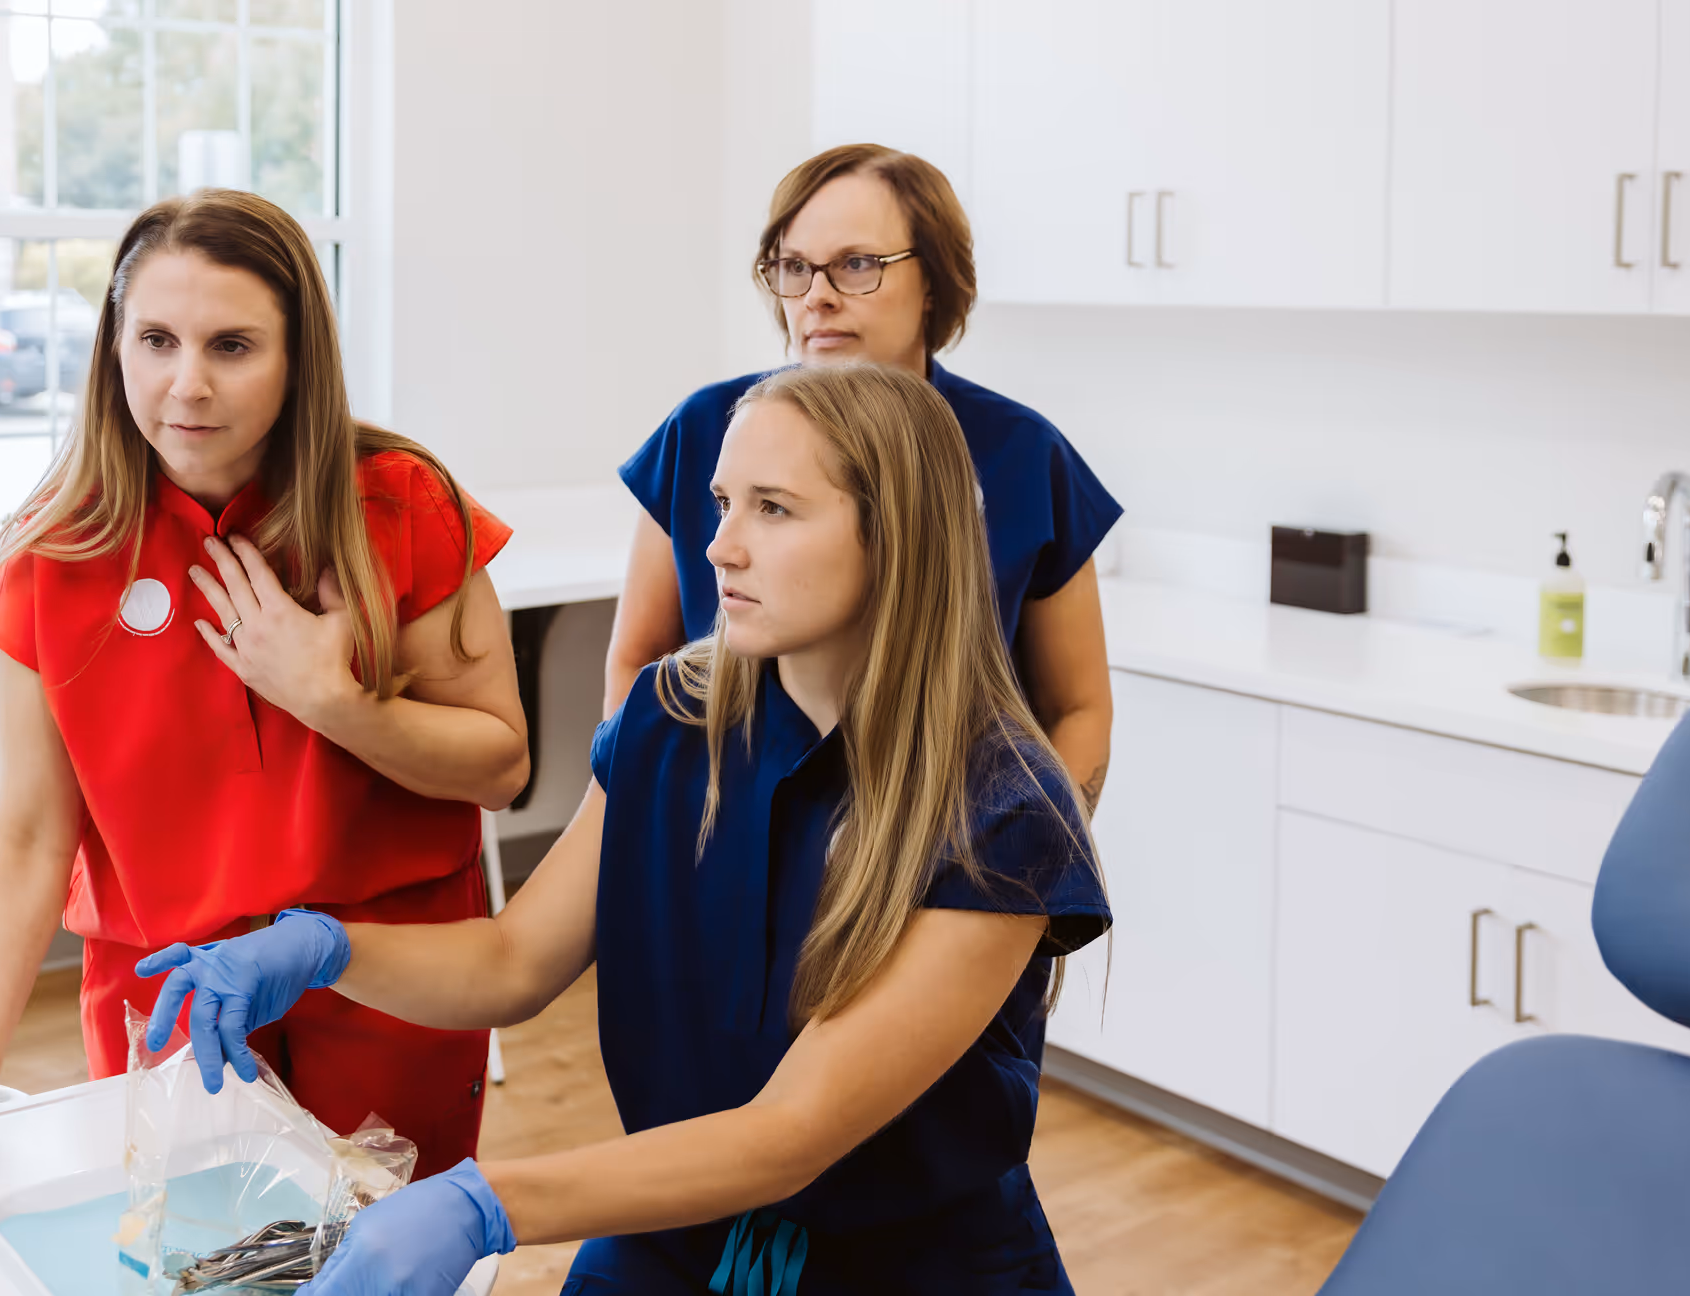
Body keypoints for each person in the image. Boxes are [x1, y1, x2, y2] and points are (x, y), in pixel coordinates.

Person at [144, 363, 1110, 1294]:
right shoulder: (674, 719)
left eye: (773, 509)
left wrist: (485, 1205)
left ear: (897, 537)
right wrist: (323, 948)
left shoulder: (1002, 811)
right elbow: (515, 963)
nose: (720, 547)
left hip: (909, 1267)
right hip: (678, 1231)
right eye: (722, 503)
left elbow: (791, 1135)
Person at [0, 190, 530, 1186]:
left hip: (385, 974)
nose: (186, 385)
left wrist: (334, 701)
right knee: (193, 1249)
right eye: (156, 340)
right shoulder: (51, 552)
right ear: (114, 348)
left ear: (298, 359)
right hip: (171, 991)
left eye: (232, 346)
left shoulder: (402, 503)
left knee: (391, 1239)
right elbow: (29, 832)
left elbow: (500, 767)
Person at [606, 143, 1121, 811]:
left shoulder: (1024, 455)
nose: (817, 297)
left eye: (857, 265)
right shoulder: (707, 429)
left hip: (944, 835)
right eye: (795, 267)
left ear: (933, 281)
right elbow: (639, 665)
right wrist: (642, 826)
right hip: (726, 828)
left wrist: (1040, 856)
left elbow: (1078, 707)